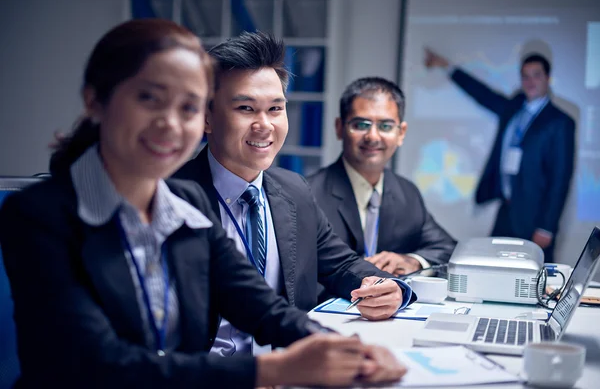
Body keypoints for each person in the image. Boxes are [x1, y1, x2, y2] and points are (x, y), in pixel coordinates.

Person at [0, 19, 407, 388]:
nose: (171, 124)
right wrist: (269, 372)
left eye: (188, 106)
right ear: (95, 101)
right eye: (149, 99)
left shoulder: (182, 202)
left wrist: (351, 355)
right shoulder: (39, 215)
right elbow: (98, 364)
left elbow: (261, 307)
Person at [173, 32, 416, 356]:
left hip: (291, 371)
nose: (264, 125)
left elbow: (341, 265)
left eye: (275, 108)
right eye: (246, 108)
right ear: (206, 117)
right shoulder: (170, 198)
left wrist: (389, 287)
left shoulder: (294, 191)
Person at [424, 49, 575, 262]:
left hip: (535, 216)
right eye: (525, 75)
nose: (530, 81)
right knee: (495, 268)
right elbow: (483, 95)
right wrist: (447, 67)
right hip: (507, 208)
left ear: (548, 78)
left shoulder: (560, 123)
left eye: (536, 75)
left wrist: (547, 227)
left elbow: (560, 180)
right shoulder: (513, 108)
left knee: (533, 279)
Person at [308, 77, 456, 279]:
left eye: (385, 126)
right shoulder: (309, 194)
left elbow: (449, 249)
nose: (373, 137)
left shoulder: (407, 193)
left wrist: (411, 261)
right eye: (361, 124)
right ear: (339, 128)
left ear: (401, 133)